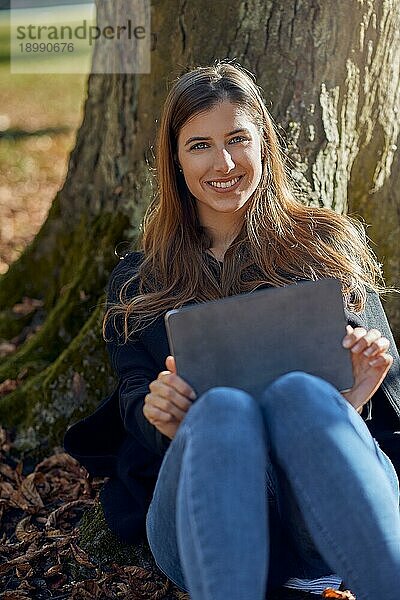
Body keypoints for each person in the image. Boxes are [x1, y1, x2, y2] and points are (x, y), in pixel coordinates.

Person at [64, 60, 400, 599]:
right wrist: (166, 420)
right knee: (221, 411)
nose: (222, 162)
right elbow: (134, 399)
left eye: (237, 139)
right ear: (174, 160)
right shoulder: (139, 280)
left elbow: (387, 414)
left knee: (302, 395)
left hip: (323, 509)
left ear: (264, 144)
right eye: (198, 144)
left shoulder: (323, 247)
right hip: (203, 513)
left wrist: (356, 398)